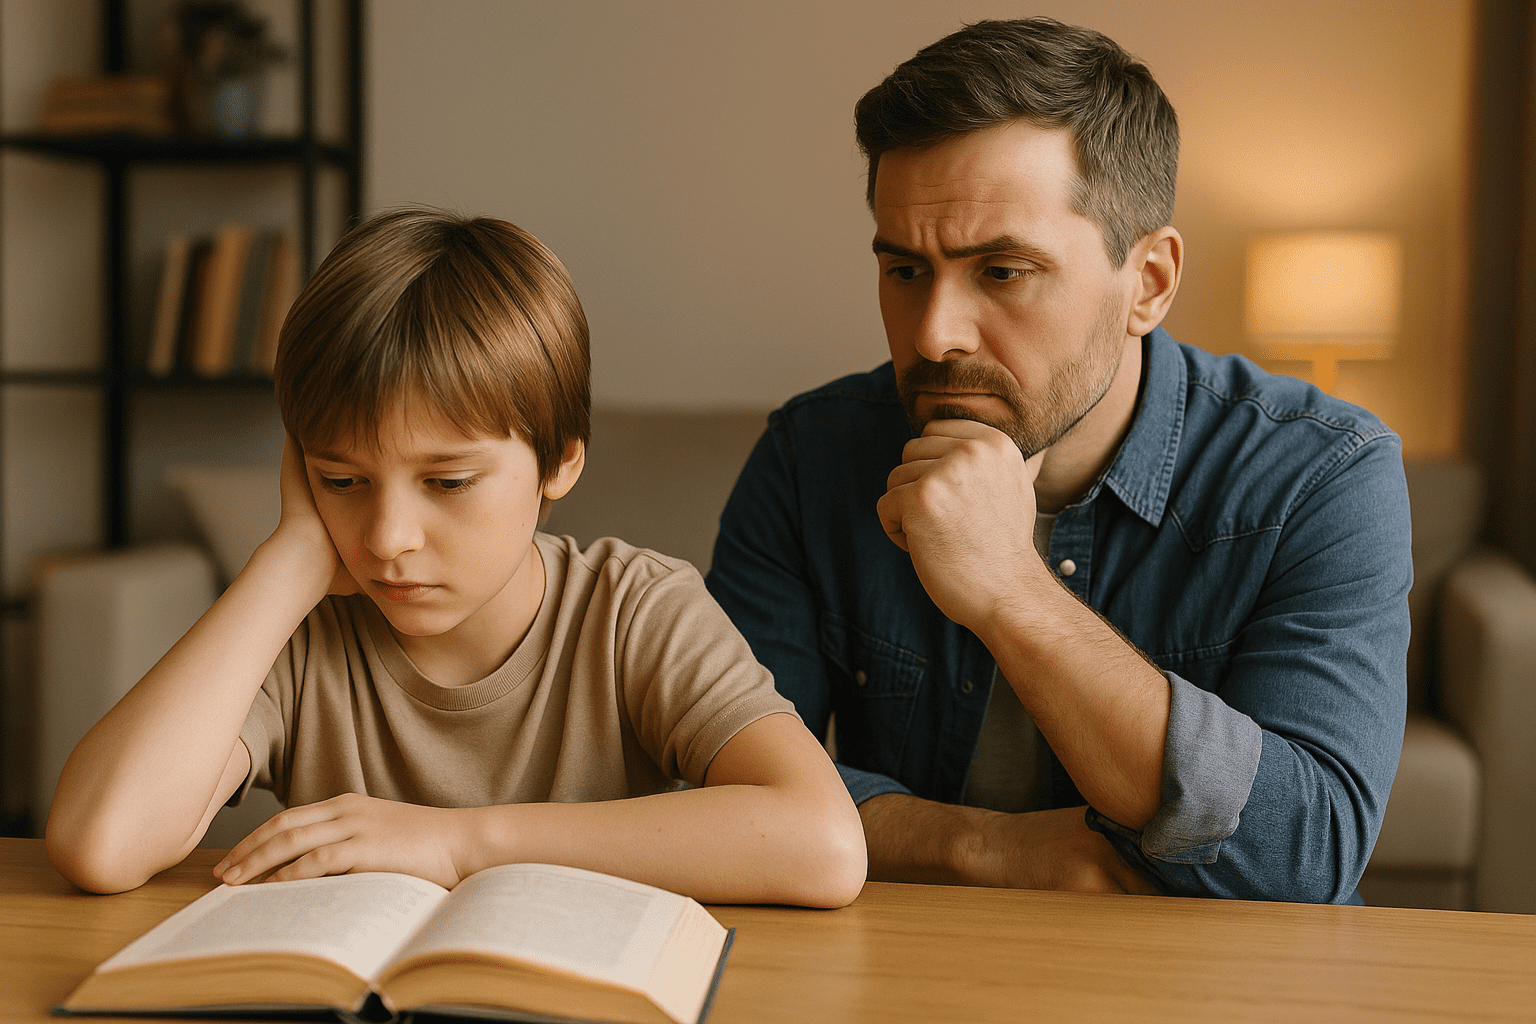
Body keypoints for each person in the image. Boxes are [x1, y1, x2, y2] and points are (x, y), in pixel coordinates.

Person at [706, 18, 1412, 903]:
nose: (933, 334)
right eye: (906, 270)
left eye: (1002, 271)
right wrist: (982, 848)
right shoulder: (810, 458)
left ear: (1148, 282)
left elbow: (1304, 855)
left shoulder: (1321, 475)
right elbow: (720, 788)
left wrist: (1010, 587)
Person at [47, 208, 867, 906]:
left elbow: (823, 843)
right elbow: (100, 842)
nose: (385, 538)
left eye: (446, 481)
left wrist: (459, 845)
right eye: (340, 479)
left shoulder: (635, 610)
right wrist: (290, 558)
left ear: (560, 463)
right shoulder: (300, 635)